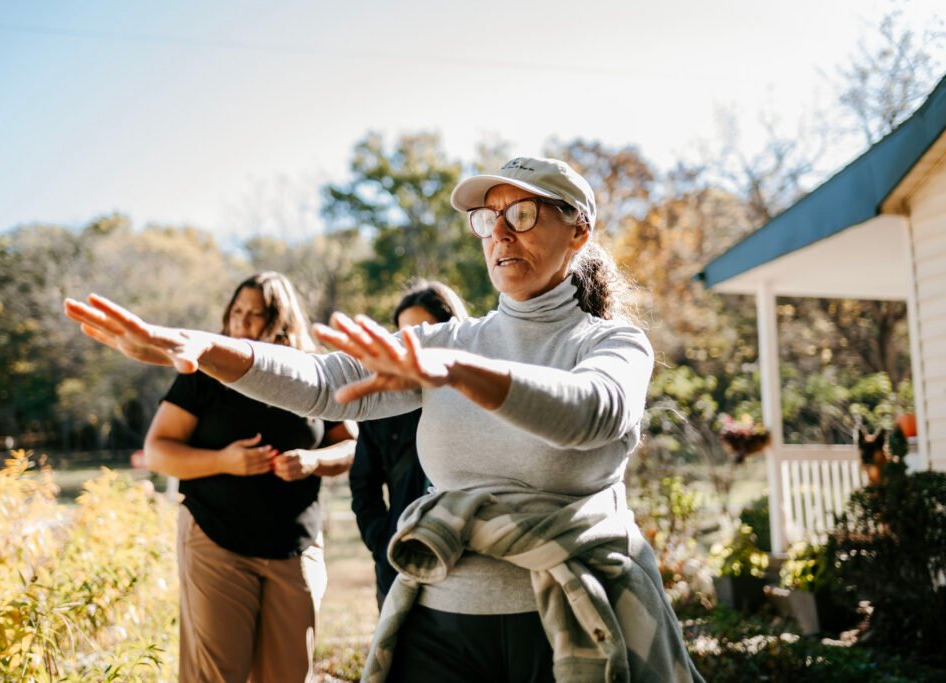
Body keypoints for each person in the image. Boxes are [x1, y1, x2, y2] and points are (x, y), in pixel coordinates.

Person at [65, 157, 703, 682]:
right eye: (489, 219)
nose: (502, 234)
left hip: (570, 630)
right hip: (444, 631)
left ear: (579, 231)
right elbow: (325, 382)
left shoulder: (610, 343)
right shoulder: (450, 341)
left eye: (524, 214)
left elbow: (592, 412)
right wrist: (204, 348)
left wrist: (453, 372)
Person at [141, 272, 356, 683]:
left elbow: (350, 447)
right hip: (216, 540)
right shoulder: (204, 370)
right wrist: (225, 461)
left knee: (289, 675)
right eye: (236, 311)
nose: (241, 321)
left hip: (296, 545)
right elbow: (158, 450)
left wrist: (313, 461)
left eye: (255, 314)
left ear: (282, 320)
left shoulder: (312, 372)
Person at [349, 280, 469, 609]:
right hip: (397, 571)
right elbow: (363, 482)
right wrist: (381, 539)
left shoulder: (479, 398)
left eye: (423, 332)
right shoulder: (382, 404)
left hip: (469, 568)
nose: (412, 344)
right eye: (403, 335)